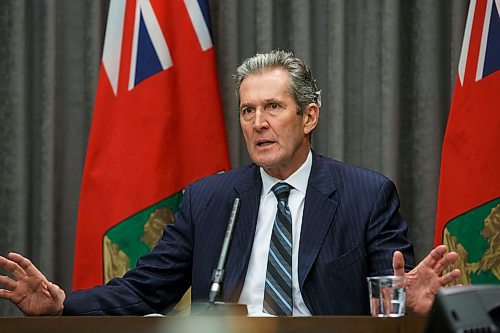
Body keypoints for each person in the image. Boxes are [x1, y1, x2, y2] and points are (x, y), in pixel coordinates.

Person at [0, 50, 460, 316]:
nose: (258, 123)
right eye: (247, 111)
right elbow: (143, 289)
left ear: (309, 117)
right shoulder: (211, 200)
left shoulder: (366, 195)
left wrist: (413, 305)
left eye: (273, 108)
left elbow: (394, 294)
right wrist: (62, 305)